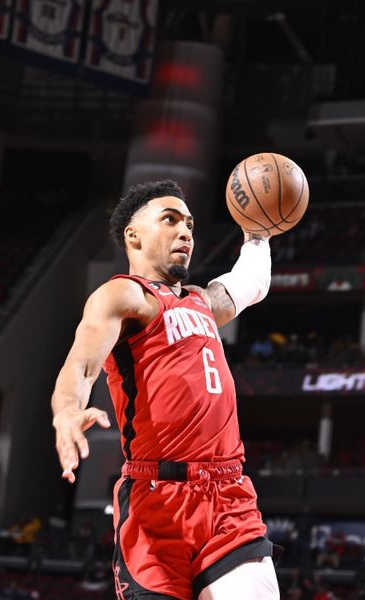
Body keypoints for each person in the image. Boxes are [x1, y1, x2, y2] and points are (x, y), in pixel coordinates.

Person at [51, 180, 279, 600]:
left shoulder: (202, 303)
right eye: (170, 220)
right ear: (132, 236)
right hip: (155, 503)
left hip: (229, 497)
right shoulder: (124, 295)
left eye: (190, 223)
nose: (186, 232)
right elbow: (81, 364)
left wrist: (258, 233)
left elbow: (251, 282)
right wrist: (66, 411)